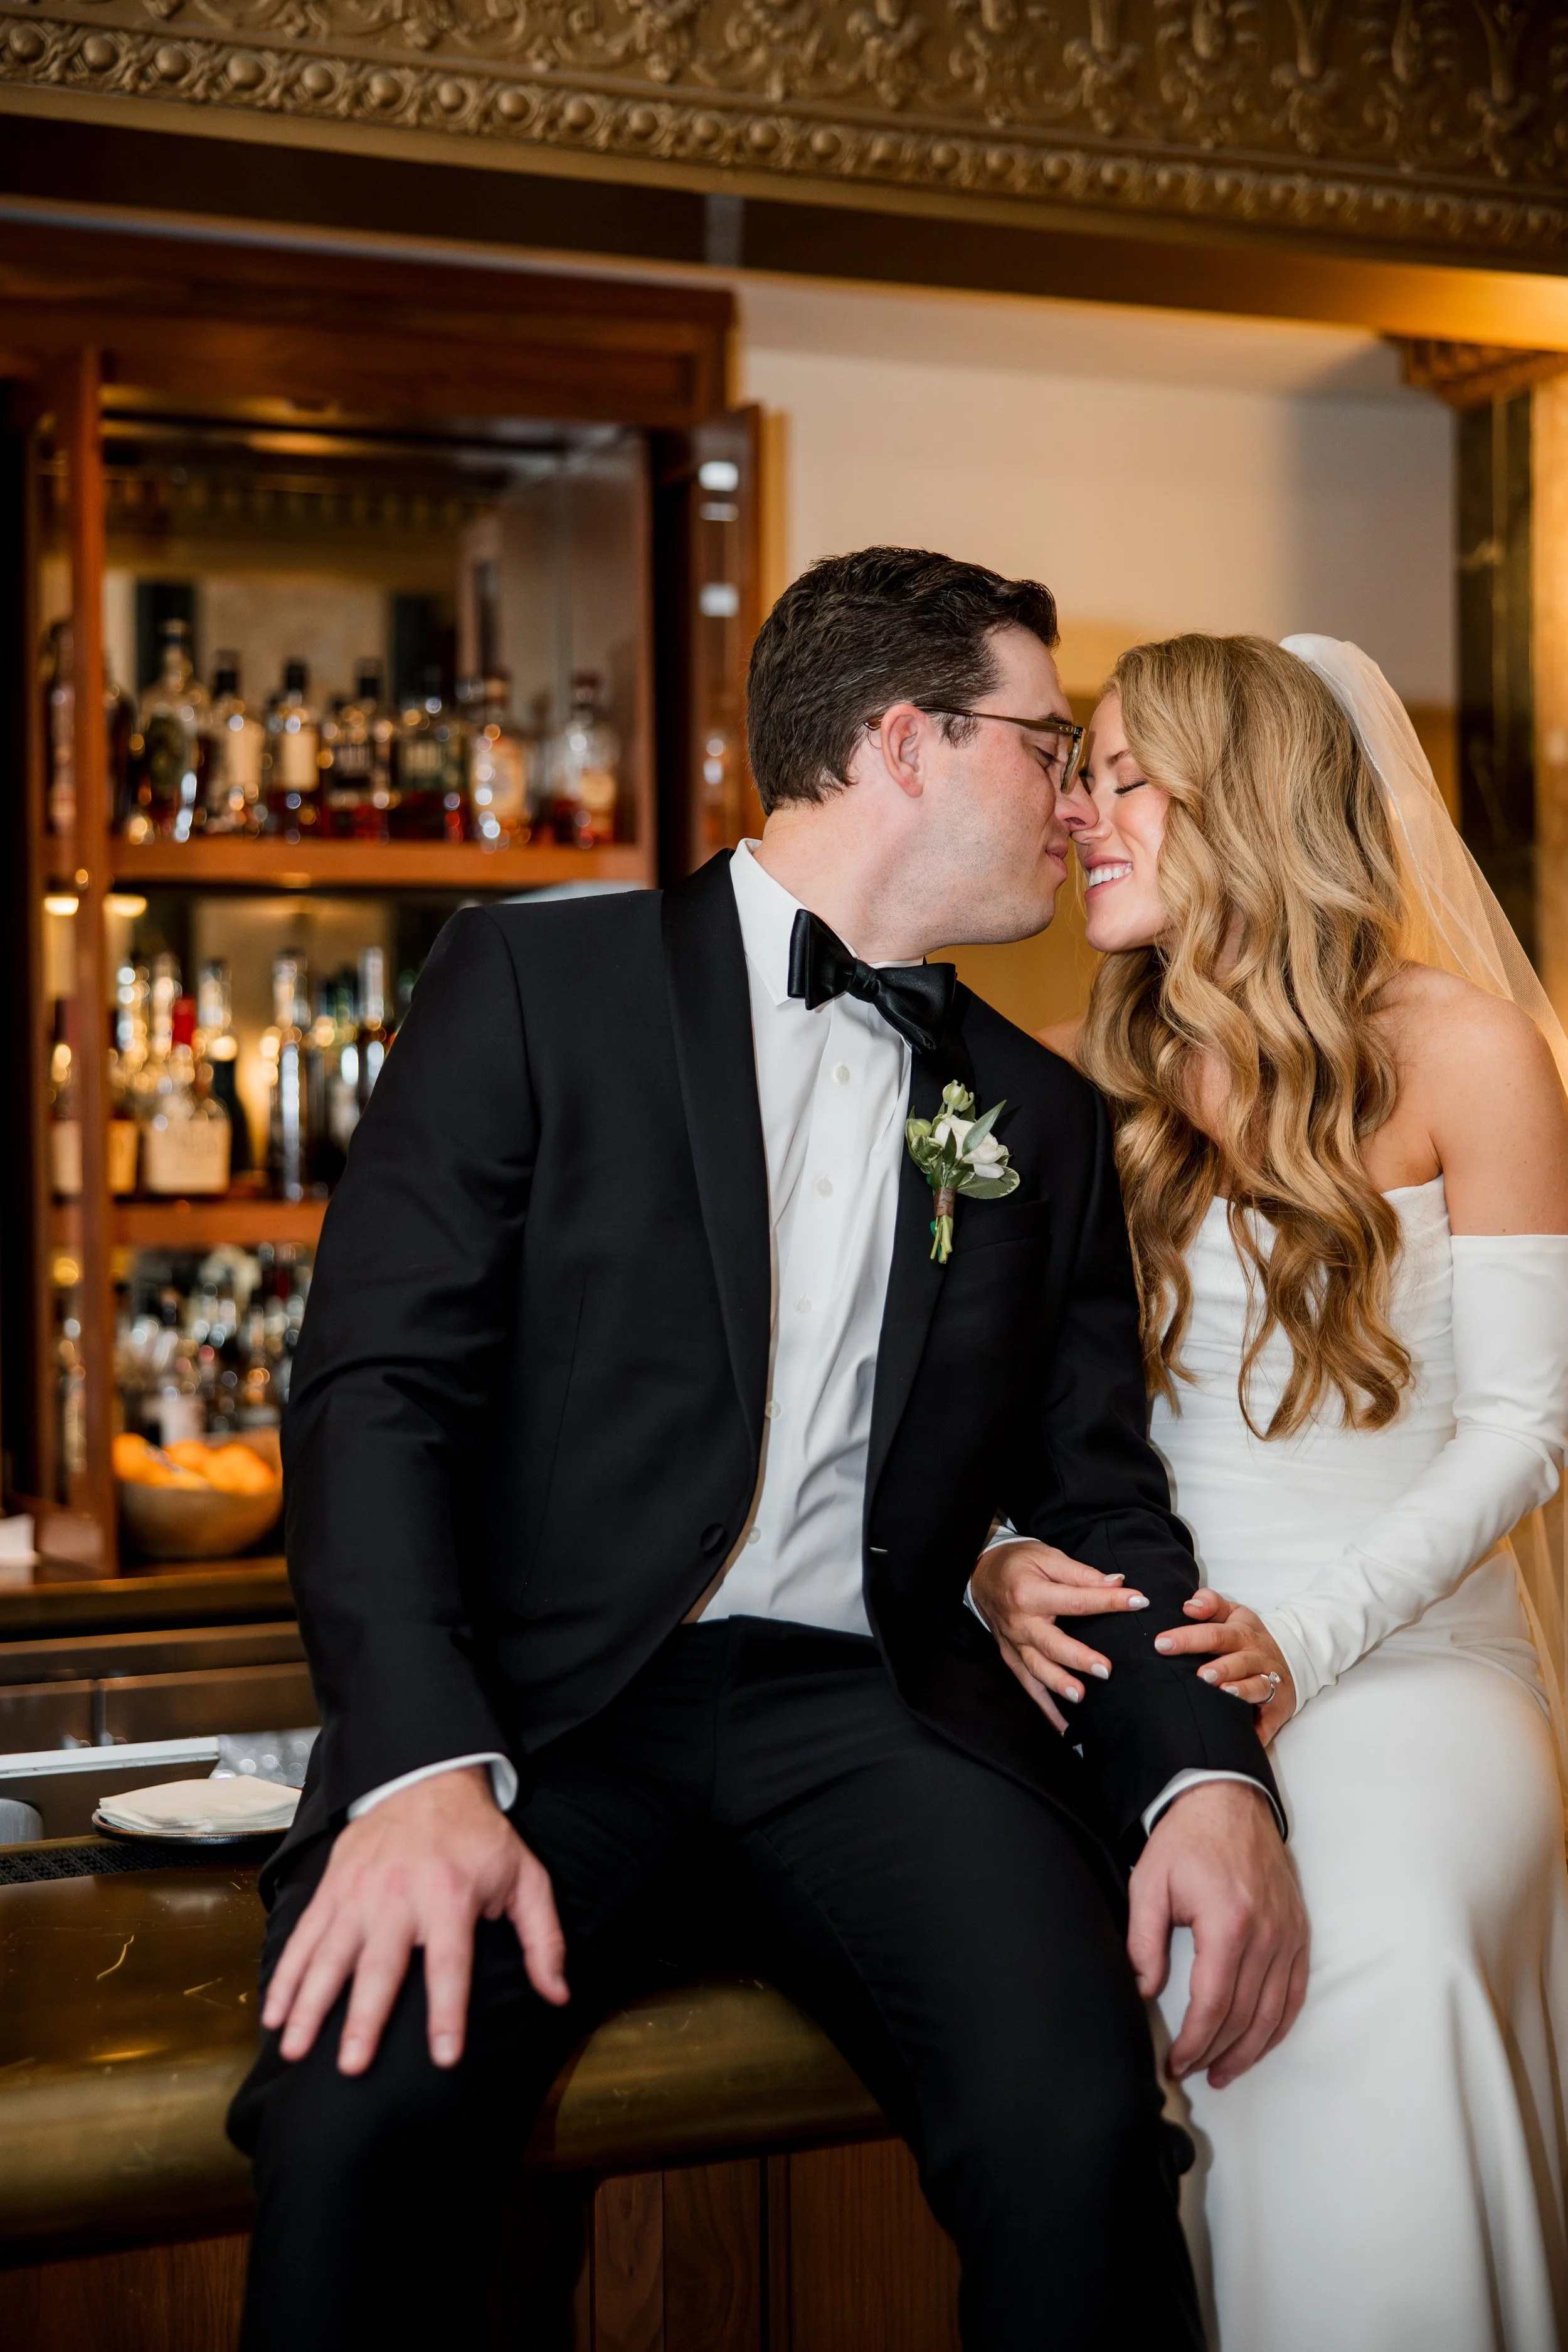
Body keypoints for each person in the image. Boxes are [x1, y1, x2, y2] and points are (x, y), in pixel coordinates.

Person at [228, 549, 1307, 2351]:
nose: (1074, 800)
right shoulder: (528, 982)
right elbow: (374, 1395)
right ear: (906, 740)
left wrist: (1204, 1781)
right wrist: (418, 1764)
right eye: (1049, 746)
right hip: (547, 1715)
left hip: (870, 1715)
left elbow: (1096, 1493)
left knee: (1079, 2129)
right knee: (363, 2109)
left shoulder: (1036, 1116)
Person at [970, 631, 1568, 2351]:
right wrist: (998, 1558)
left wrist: (1303, 1637)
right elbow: (1023, 1417)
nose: (1079, 811)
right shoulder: (1092, 1077)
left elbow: (1530, 1422)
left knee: (1366, 1932)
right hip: (1150, 1655)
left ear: (1244, 801)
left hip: (1405, 1650)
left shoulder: (1461, 1045)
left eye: (1121, 777)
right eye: (1075, 772)